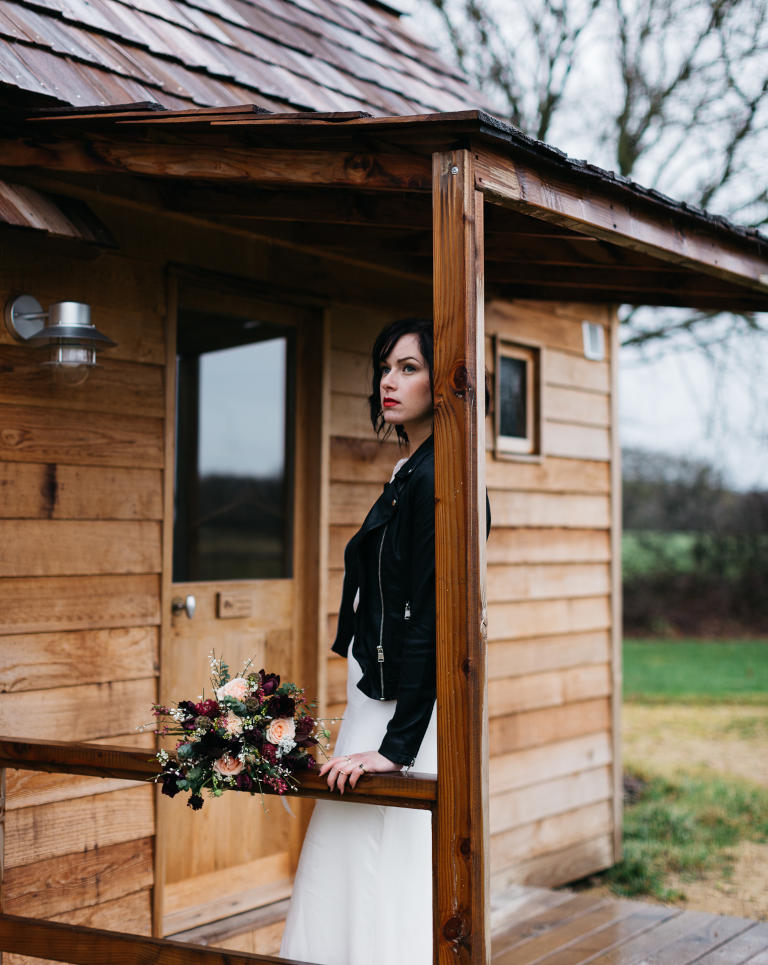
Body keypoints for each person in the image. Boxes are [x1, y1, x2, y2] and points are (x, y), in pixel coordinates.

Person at [279, 317, 438, 965]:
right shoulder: (411, 472)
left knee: (375, 862)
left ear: (445, 379)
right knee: (343, 863)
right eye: (385, 367)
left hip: (403, 716)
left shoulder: (438, 480)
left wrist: (395, 750)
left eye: (409, 367)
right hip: (377, 701)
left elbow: (434, 618)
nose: (389, 381)